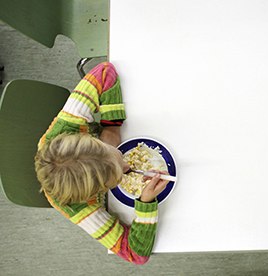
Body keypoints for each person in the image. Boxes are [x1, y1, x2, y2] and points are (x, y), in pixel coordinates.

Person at [34, 62, 169, 264]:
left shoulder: (68, 126)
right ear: (96, 192)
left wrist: (111, 127)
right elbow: (136, 254)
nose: (127, 167)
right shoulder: (80, 208)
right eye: (117, 177)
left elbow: (105, 73)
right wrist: (146, 203)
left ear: (93, 140)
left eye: (115, 154)